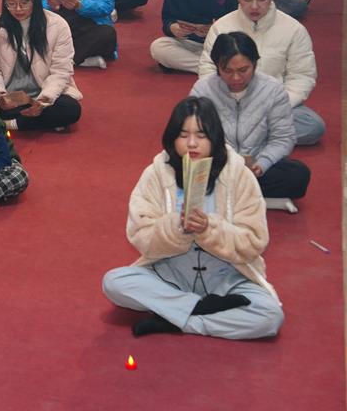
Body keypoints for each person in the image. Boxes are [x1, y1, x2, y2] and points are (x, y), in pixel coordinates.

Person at [101, 97, 284, 340]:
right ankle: (197, 309)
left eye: (201, 135)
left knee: (270, 317)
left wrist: (210, 229)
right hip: (171, 274)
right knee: (114, 283)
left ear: (214, 137)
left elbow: (254, 242)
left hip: (227, 277)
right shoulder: (156, 173)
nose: (192, 143)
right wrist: (176, 228)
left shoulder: (239, 174)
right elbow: (140, 235)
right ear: (172, 138)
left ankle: (179, 320)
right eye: (183, 135)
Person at [198, 0, 323, 146]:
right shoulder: (222, 26)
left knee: (313, 126)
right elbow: (208, 69)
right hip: (230, 102)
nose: (254, 6)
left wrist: (276, 105)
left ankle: (237, 137)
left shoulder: (294, 29)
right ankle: (256, 137)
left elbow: (302, 76)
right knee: (198, 115)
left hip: (272, 105)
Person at [191, 32, 310, 201]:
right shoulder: (203, 89)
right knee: (175, 167)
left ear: (254, 64)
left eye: (243, 70)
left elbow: (283, 137)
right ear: (217, 67)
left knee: (297, 175)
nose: (236, 77)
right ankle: (241, 192)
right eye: (227, 71)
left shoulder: (273, 90)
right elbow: (194, 135)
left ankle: (225, 192)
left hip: (256, 164)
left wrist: (262, 164)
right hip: (216, 165)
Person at [0, 0, 83, 131]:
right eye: (11, 3)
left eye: (24, 2)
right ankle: (33, 122)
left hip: (43, 95)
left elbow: (61, 71)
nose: (18, 9)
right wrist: (1, 96)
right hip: (8, 97)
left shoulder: (57, 25)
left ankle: (12, 123)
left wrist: (43, 101)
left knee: (70, 109)